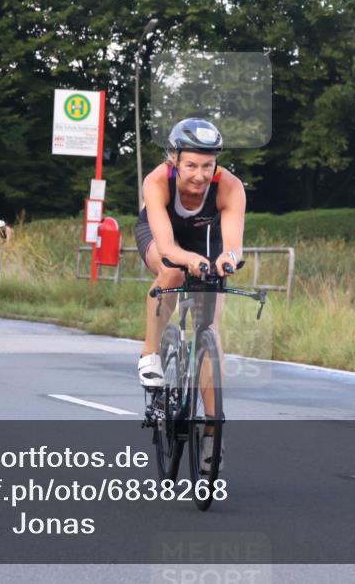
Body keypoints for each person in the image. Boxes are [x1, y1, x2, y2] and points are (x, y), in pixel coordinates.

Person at [134, 118, 246, 472]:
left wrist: (227, 260)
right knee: (172, 269)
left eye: (207, 166)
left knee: (209, 326)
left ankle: (213, 429)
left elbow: (233, 246)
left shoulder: (230, 187)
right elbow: (167, 246)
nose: (199, 175)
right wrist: (188, 260)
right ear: (174, 160)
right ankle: (151, 354)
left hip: (204, 240)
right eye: (191, 165)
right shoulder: (156, 182)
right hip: (160, 236)